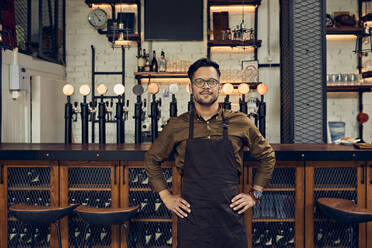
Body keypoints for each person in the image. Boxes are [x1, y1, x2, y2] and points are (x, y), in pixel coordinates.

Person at [144, 58, 275, 248]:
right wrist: (166, 197)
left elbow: (267, 156)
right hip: (191, 219)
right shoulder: (177, 125)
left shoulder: (240, 121)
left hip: (229, 217)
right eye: (199, 82)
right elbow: (151, 159)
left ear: (219, 87)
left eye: (211, 82)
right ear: (191, 87)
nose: (206, 87)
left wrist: (255, 194)